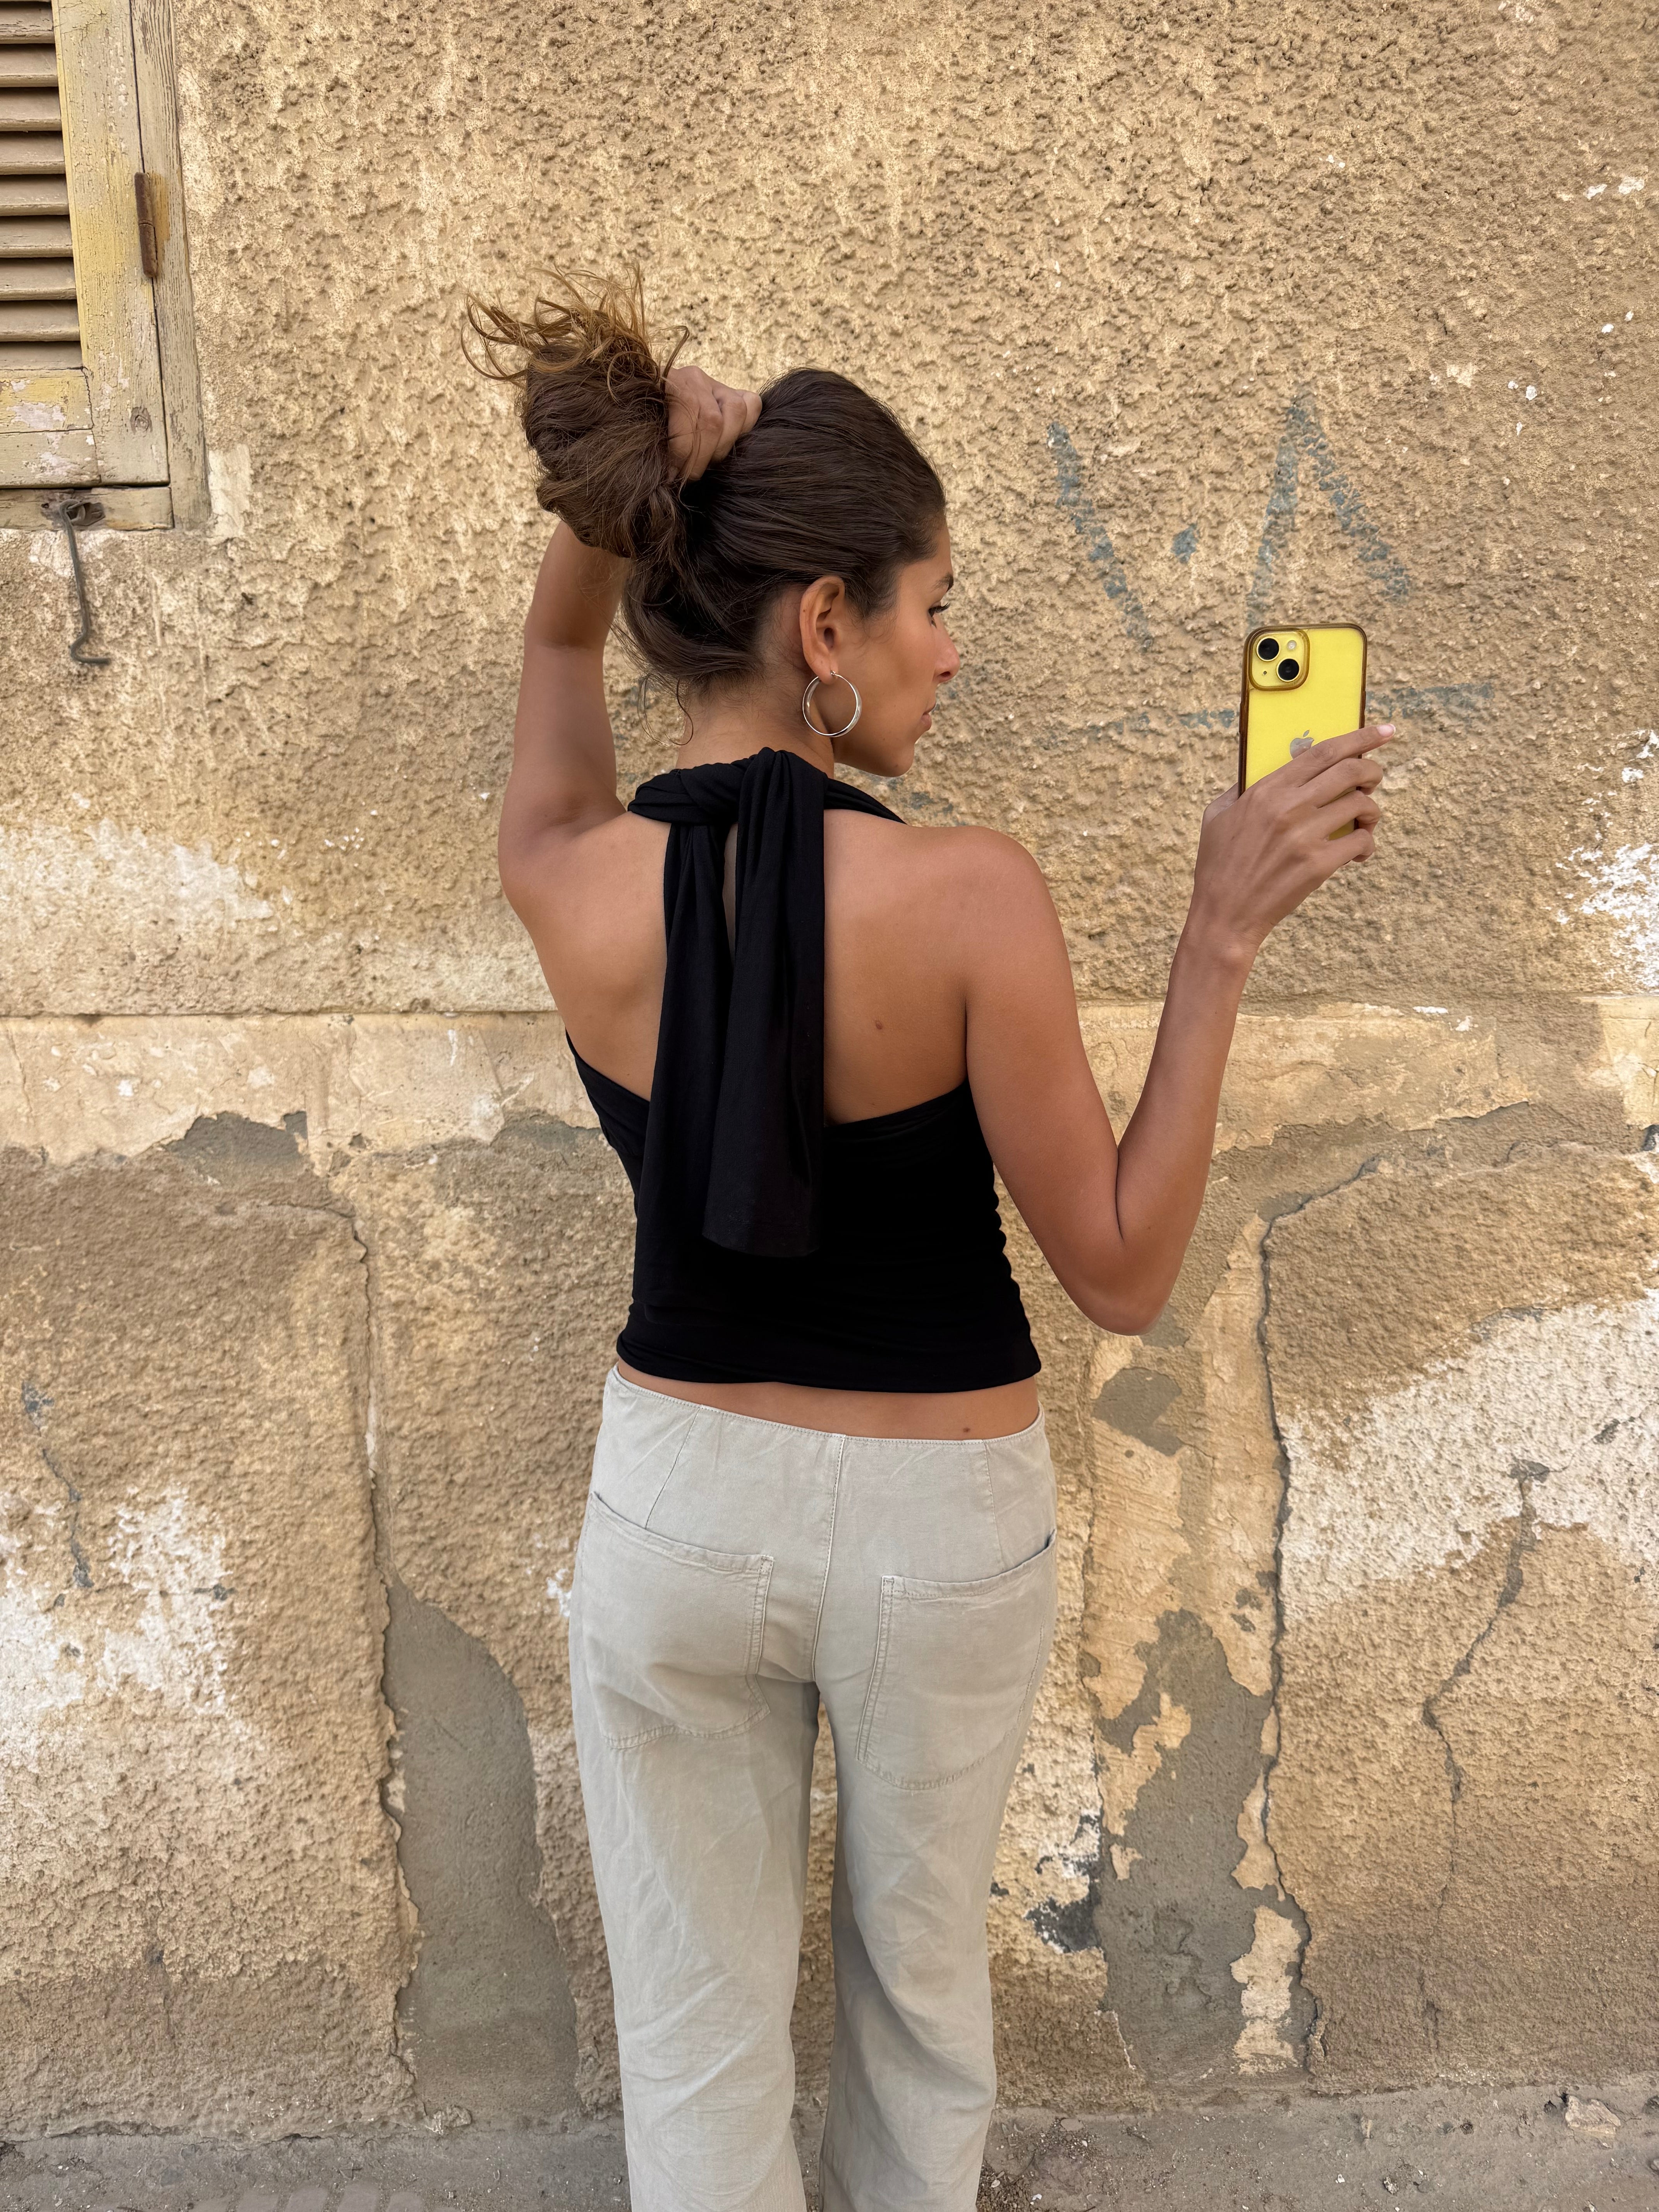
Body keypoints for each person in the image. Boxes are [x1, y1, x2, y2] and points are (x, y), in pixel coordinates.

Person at [476, 272, 1390, 2212]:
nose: (953, 655)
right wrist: (1219, 931)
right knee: (918, 2016)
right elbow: (1122, 1272)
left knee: (695, 2040)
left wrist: (615, 498)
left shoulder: (565, 873)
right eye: (935, 605)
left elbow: (558, 657)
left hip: (676, 1507)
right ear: (829, 628)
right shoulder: (971, 899)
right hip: (934, 1532)